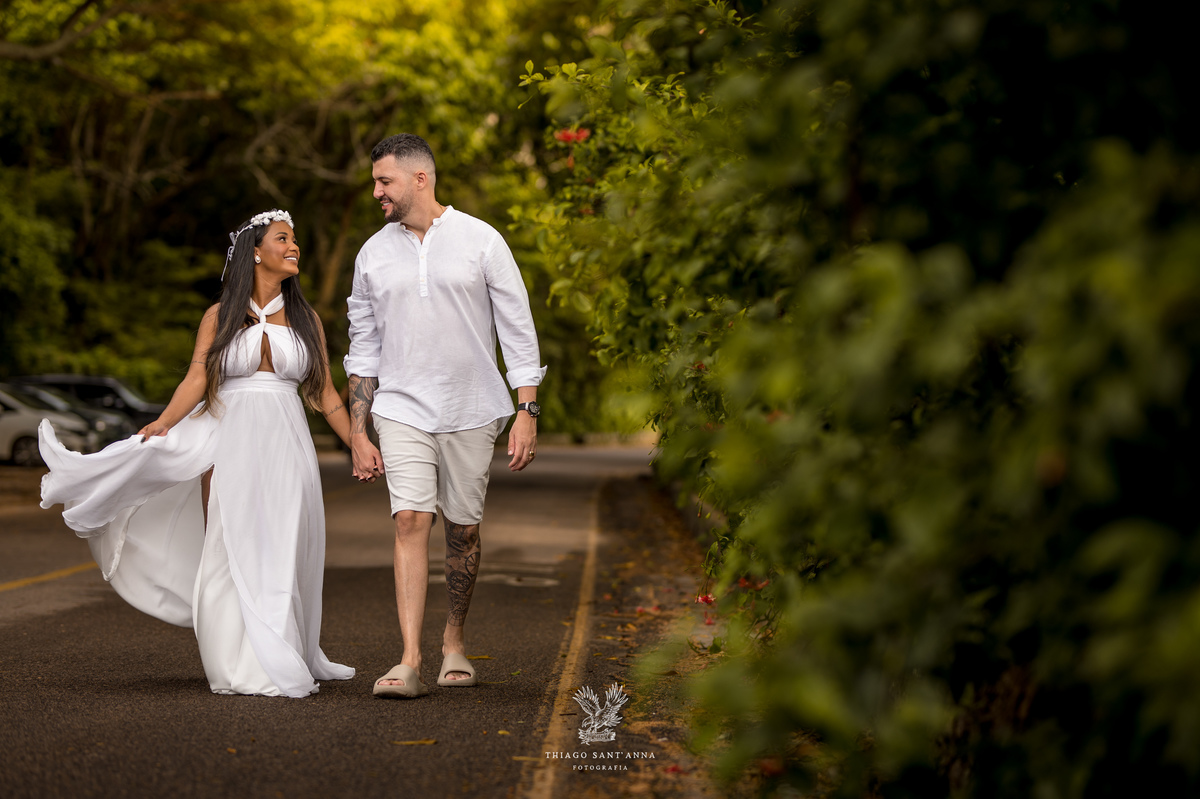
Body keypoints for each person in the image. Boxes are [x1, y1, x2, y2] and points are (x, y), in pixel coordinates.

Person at [39, 209, 380, 697]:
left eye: (295, 240)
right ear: (255, 251)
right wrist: (163, 423)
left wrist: (359, 444)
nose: (294, 247)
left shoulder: (307, 319)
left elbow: (325, 394)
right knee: (228, 543)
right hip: (228, 440)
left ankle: (281, 650)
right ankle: (233, 661)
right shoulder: (218, 317)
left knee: (283, 544)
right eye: (284, 239)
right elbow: (197, 379)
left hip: (288, 444)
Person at [344, 133, 546, 698]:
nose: (377, 192)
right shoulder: (372, 254)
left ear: (420, 179)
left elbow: (518, 329)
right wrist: (360, 431)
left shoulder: (481, 240)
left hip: (473, 407)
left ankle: (452, 641)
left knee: (463, 530)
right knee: (411, 520)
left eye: (385, 181)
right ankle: (408, 658)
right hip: (401, 407)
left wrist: (526, 409)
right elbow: (363, 349)